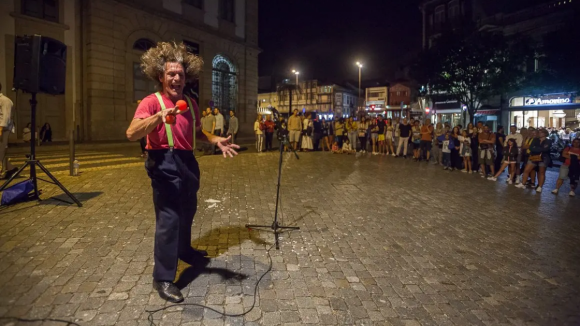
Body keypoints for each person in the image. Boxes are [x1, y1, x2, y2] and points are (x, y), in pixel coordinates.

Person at [125, 41, 239, 303]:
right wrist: (159, 117)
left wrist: (215, 140)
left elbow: (198, 132)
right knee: (169, 219)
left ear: (187, 78)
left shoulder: (190, 102)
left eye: (181, 74)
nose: (176, 78)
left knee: (188, 208)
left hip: (187, 160)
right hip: (162, 160)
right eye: (171, 74)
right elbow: (132, 133)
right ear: (161, 76)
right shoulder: (151, 102)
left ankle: (184, 249)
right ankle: (163, 278)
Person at [0, 83, 18, 179]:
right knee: (1, 151)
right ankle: (11, 168)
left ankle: (4, 171)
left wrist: (1, 129)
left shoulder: (5, 100)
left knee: (1, 151)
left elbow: (6, 117)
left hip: (3, 129)